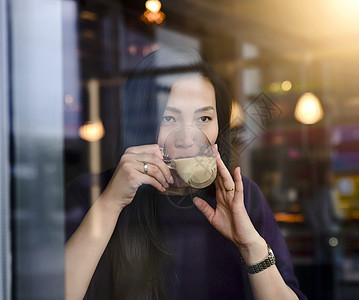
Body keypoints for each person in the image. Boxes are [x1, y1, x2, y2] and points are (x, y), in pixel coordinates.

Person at [65, 46, 306, 300]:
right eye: (169, 119)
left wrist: (250, 245)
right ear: (140, 122)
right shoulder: (93, 192)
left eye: (203, 119)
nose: (188, 139)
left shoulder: (241, 198)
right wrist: (111, 203)